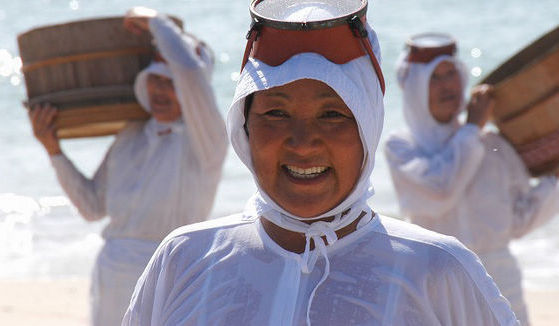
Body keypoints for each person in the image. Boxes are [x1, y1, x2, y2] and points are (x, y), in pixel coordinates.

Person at [123, 2, 518, 325]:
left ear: (368, 125)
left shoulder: (439, 269)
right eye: (276, 114)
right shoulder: (184, 258)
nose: (303, 143)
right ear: (244, 128)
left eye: (333, 115)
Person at [28, 7, 228, 326]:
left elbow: (190, 71)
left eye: (170, 83)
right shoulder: (130, 135)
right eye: (155, 80)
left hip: (170, 272)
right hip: (109, 275)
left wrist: (157, 23)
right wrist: (54, 151)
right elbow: (92, 207)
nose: (161, 91)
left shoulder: (206, 142)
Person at [384, 33, 559, 325]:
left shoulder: (493, 144)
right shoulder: (401, 147)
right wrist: (472, 129)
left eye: (451, 72)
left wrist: (554, 182)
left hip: (503, 286)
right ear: (415, 87)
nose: (447, 84)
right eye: (434, 77)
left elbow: (518, 221)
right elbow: (440, 192)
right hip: (437, 287)